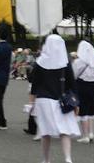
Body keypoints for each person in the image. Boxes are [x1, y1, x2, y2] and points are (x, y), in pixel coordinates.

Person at [30, 34, 80, 163]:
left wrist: (31, 103)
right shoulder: (65, 62)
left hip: (43, 100)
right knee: (65, 131)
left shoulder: (40, 62)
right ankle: (68, 158)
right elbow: (72, 84)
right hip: (62, 100)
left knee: (45, 132)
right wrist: (76, 103)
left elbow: (34, 84)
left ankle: (46, 159)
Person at [72, 40, 94, 143]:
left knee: (83, 110)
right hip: (93, 86)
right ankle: (91, 132)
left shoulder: (78, 62)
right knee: (90, 110)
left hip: (82, 85)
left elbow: (74, 75)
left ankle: (85, 135)